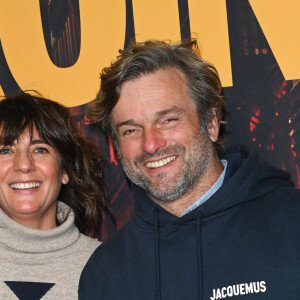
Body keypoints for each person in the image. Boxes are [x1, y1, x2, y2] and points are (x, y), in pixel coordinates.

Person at [79, 40, 300, 299]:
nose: (150, 144)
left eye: (168, 120)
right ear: (116, 146)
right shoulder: (104, 272)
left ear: (211, 123)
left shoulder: (292, 224)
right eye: (130, 130)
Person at [0, 92, 111, 299]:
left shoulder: (108, 265)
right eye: (6, 151)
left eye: (40, 150)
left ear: (65, 171)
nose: (23, 164)